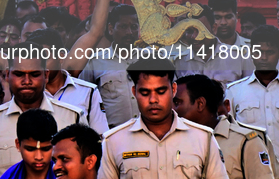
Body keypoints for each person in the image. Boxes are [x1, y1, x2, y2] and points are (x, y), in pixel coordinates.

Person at [98, 57, 228, 179]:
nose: (153, 99)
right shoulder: (114, 141)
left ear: (173, 89)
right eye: (145, 92)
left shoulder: (203, 138)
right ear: (134, 92)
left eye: (161, 92)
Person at [0, 42, 84, 179]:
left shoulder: (73, 118)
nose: (26, 81)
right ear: (7, 75)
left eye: (34, 74)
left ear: (46, 75)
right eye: (19, 74)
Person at [174, 74, 274, 179]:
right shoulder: (176, 140)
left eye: (177, 103)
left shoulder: (245, 142)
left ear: (200, 104)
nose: (172, 109)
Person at [28, 29, 108, 135]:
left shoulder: (88, 92)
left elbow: (100, 136)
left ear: (61, 56)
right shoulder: (26, 93)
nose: (39, 65)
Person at [79, 5, 141, 128]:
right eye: (123, 27)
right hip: (110, 134)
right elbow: (83, 99)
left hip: (147, 133)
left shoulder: (152, 58)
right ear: (111, 29)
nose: (129, 32)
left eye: (134, 27)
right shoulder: (95, 62)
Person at [226, 25, 279, 162]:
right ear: (251, 52)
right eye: (259, 51)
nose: (264, 57)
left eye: (270, 52)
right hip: (251, 167)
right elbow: (229, 133)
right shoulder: (234, 91)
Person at [174, 4, 253, 86]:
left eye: (200, 30)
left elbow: (251, 92)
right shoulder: (180, 62)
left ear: (214, 29)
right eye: (190, 31)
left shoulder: (240, 57)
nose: (194, 36)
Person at [0, 109, 58, 179]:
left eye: (46, 149)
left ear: (55, 145)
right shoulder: (8, 177)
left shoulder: (67, 175)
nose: (39, 157)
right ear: (18, 144)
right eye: (30, 149)